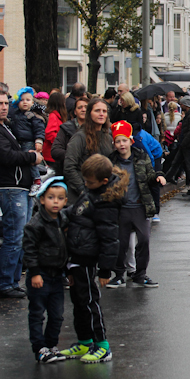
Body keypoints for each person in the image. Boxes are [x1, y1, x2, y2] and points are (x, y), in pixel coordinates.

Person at [60, 154, 127, 364]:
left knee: (89, 302)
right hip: (76, 253)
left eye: (90, 182)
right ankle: (84, 340)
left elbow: (109, 238)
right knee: (78, 302)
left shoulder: (106, 202)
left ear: (104, 181)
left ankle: (102, 345)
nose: (86, 185)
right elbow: (77, 211)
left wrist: (106, 270)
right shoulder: (91, 192)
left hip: (88, 256)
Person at [108, 120, 165, 288]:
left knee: (144, 240)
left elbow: (149, 175)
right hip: (122, 208)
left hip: (140, 206)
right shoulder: (111, 161)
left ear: (131, 141)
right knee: (121, 243)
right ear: (114, 144)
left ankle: (140, 274)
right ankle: (119, 274)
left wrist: (157, 177)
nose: (121, 144)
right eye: (118, 141)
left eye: (124, 140)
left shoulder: (141, 156)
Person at [0, 92, 43, 298]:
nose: (4, 107)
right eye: (0, 104)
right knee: (14, 236)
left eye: (6, 103)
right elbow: (6, 156)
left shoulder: (8, 125)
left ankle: (14, 281)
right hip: (11, 187)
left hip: (22, 186)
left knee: (22, 236)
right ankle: (6, 283)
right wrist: (30, 156)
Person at [23, 176, 69, 362]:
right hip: (40, 274)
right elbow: (29, 249)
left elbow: (67, 247)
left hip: (57, 275)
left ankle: (51, 345)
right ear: (42, 199)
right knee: (37, 313)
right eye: (51, 197)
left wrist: (69, 272)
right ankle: (40, 348)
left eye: (59, 198)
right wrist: (34, 272)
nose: (55, 202)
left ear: (65, 201)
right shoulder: (36, 224)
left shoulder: (63, 220)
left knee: (57, 314)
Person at [63, 98, 114, 205]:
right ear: (89, 113)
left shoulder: (108, 137)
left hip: (101, 196)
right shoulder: (80, 137)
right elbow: (69, 166)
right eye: (97, 111)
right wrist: (82, 189)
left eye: (104, 111)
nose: (101, 114)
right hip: (80, 198)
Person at [11, 87, 46, 191]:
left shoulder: (32, 116)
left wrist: (39, 140)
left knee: (31, 160)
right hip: (19, 142)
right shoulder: (15, 115)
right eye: (22, 100)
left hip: (29, 142)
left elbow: (39, 129)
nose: (24, 102)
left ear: (32, 102)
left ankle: (37, 180)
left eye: (28, 100)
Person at [166, 96, 190, 197]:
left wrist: (184, 142)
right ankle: (168, 177)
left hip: (188, 145)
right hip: (186, 144)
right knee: (177, 162)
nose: (181, 106)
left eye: (182, 105)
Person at [50, 96, 88, 176]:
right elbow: (55, 150)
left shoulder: (97, 128)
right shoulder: (66, 128)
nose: (83, 110)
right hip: (69, 172)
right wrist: (75, 155)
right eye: (80, 107)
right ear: (75, 112)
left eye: (86, 107)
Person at [43, 91, 68, 172]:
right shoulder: (53, 116)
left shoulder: (56, 115)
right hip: (51, 155)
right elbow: (49, 134)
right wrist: (60, 142)